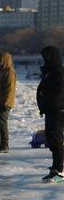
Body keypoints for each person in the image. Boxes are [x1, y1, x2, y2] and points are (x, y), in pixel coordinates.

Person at [37, 46, 64, 182]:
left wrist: (46, 97)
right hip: (51, 110)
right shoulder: (50, 72)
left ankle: (59, 169)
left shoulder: (58, 73)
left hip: (57, 111)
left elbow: (57, 93)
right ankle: (56, 166)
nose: (44, 60)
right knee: (51, 139)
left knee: (56, 139)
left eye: (46, 57)